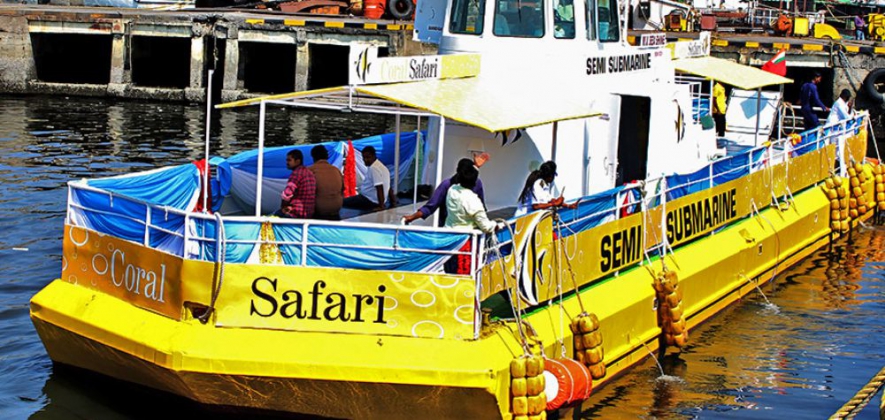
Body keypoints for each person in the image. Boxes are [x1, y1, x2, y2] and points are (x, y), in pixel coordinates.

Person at [402, 156, 487, 227]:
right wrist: (411, 217)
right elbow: (430, 207)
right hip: (450, 230)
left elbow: (482, 207)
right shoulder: (447, 185)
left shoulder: (475, 184)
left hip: (468, 231)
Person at [444, 164, 502, 234]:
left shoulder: (452, 190)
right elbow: (486, 227)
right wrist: (495, 225)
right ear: (474, 183)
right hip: (464, 237)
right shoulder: (473, 200)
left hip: (448, 233)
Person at [343, 146, 389, 212]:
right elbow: (389, 187)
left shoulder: (374, 168)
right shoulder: (382, 167)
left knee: (342, 203)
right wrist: (393, 201)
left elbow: (379, 187)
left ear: (374, 156)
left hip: (369, 200)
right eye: (364, 158)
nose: (366, 160)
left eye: (368, 157)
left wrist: (381, 206)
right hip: (372, 199)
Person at [276, 149, 316, 219]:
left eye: (289, 160)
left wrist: (283, 207)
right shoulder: (309, 173)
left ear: (297, 161)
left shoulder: (297, 173)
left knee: (270, 219)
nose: (287, 162)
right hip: (309, 212)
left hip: (296, 213)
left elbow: (287, 194)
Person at [308, 145, 343, 220]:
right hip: (336, 208)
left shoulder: (310, 171)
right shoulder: (336, 170)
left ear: (313, 157)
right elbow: (343, 189)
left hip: (319, 211)